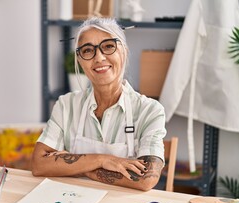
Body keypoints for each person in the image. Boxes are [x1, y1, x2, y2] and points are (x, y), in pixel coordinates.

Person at [32, 17, 166, 191]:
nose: (99, 57)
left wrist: (79, 167)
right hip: (70, 202)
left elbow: (145, 180)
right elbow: (38, 164)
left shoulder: (150, 111)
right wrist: (102, 160)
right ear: (80, 61)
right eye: (88, 50)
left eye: (109, 46)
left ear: (123, 52)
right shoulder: (66, 105)